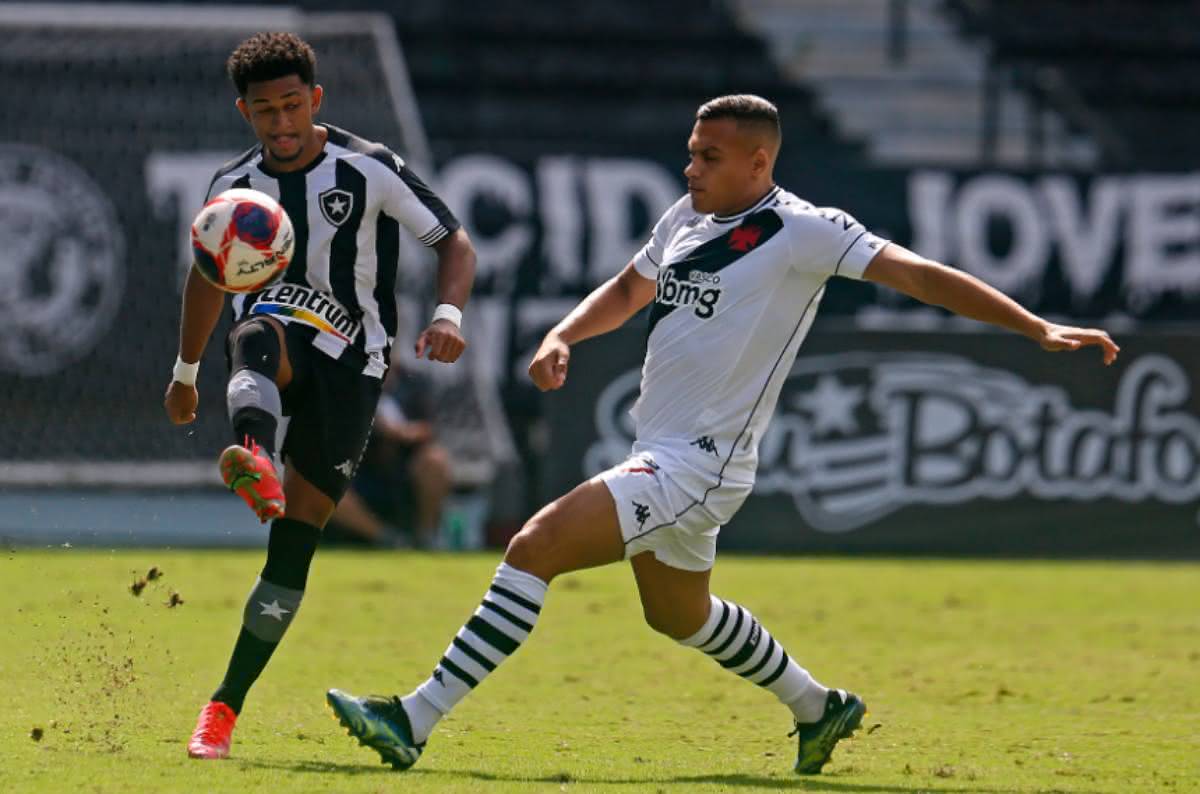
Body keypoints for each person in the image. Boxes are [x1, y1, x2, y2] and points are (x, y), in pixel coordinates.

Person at [326, 94, 1118, 775]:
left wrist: (1035, 326)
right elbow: (631, 286)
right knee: (676, 613)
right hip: (662, 453)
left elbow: (917, 275)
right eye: (690, 155)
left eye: (708, 157)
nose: (690, 170)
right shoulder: (689, 216)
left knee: (535, 546)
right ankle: (819, 707)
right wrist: (564, 335)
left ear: (759, 163)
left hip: (699, 464)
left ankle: (414, 718)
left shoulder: (808, 231)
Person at [162, 32, 475, 760]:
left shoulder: (369, 168)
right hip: (278, 345)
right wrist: (183, 373)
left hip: (358, 365)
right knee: (261, 333)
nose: (281, 124)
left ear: (317, 100)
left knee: (294, 544)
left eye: (293, 106)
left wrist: (447, 314)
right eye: (265, 111)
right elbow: (209, 276)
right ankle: (250, 453)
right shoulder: (233, 188)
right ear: (245, 112)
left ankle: (223, 703)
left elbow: (454, 243)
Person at [328, 361, 452, 548]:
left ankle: (426, 538)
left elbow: (431, 427)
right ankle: (388, 539)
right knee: (324, 478)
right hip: (359, 470)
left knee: (436, 460)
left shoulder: (414, 383)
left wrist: (401, 432)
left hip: (403, 468)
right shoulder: (346, 383)